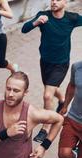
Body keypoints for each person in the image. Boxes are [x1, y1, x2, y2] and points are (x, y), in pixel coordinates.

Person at [21, 0, 82, 143]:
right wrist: (36, 23)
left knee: (47, 95)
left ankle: (46, 128)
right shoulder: (43, 15)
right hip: (45, 62)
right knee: (51, 87)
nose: (54, 2)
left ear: (65, 2)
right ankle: (61, 100)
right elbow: (24, 29)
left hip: (61, 64)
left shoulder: (71, 18)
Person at [58, 61, 82, 158]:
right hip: (73, 119)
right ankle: (74, 157)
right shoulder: (77, 67)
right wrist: (65, 105)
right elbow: (72, 86)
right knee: (63, 154)